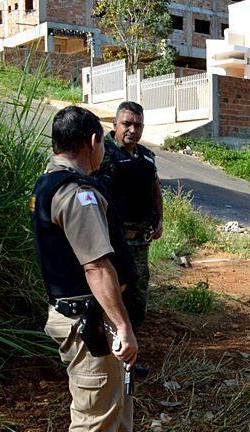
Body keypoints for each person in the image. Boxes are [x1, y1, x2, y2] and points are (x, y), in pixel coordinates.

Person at [31, 106, 168, 432]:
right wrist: (123, 326)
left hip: (95, 318)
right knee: (93, 404)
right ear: (93, 141)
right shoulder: (76, 194)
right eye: (102, 141)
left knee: (117, 395)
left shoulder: (55, 184)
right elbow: (97, 267)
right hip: (88, 321)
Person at [95, 101, 163, 330]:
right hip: (113, 241)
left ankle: (131, 351)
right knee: (112, 292)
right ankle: (112, 348)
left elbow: (155, 187)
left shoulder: (146, 156)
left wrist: (159, 220)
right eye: (127, 124)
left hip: (140, 240)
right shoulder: (102, 153)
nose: (133, 130)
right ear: (114, 124)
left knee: (137, 292)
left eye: (138, 125)